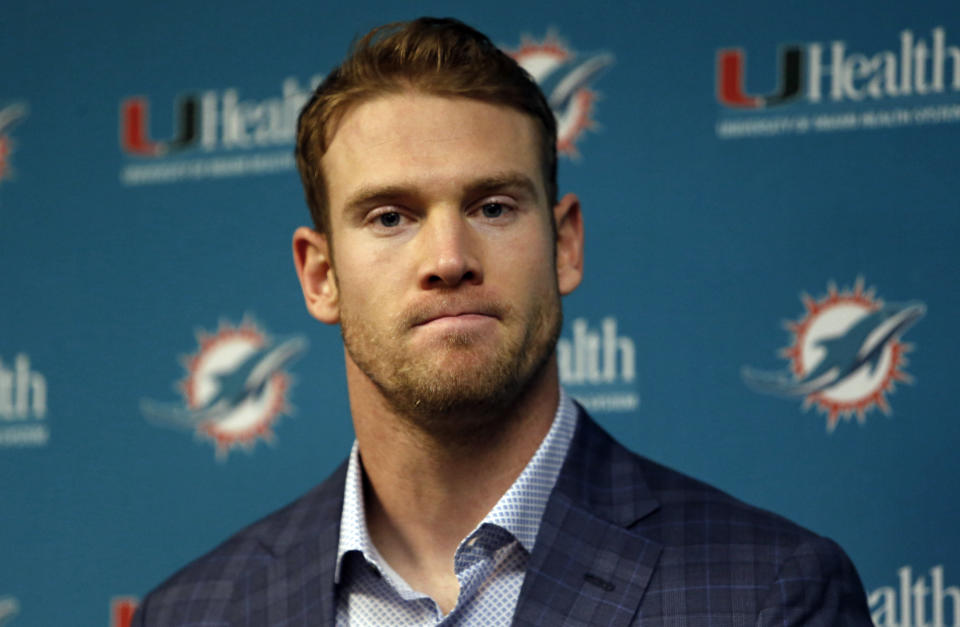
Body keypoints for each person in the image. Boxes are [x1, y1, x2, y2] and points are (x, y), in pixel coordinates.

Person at [132, 17, 872, 626]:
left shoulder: (768, 593)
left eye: (492, 207)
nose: (449, 258)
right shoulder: (192, 612)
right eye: (390, 216)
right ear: (321, 276)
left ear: (567, 244)